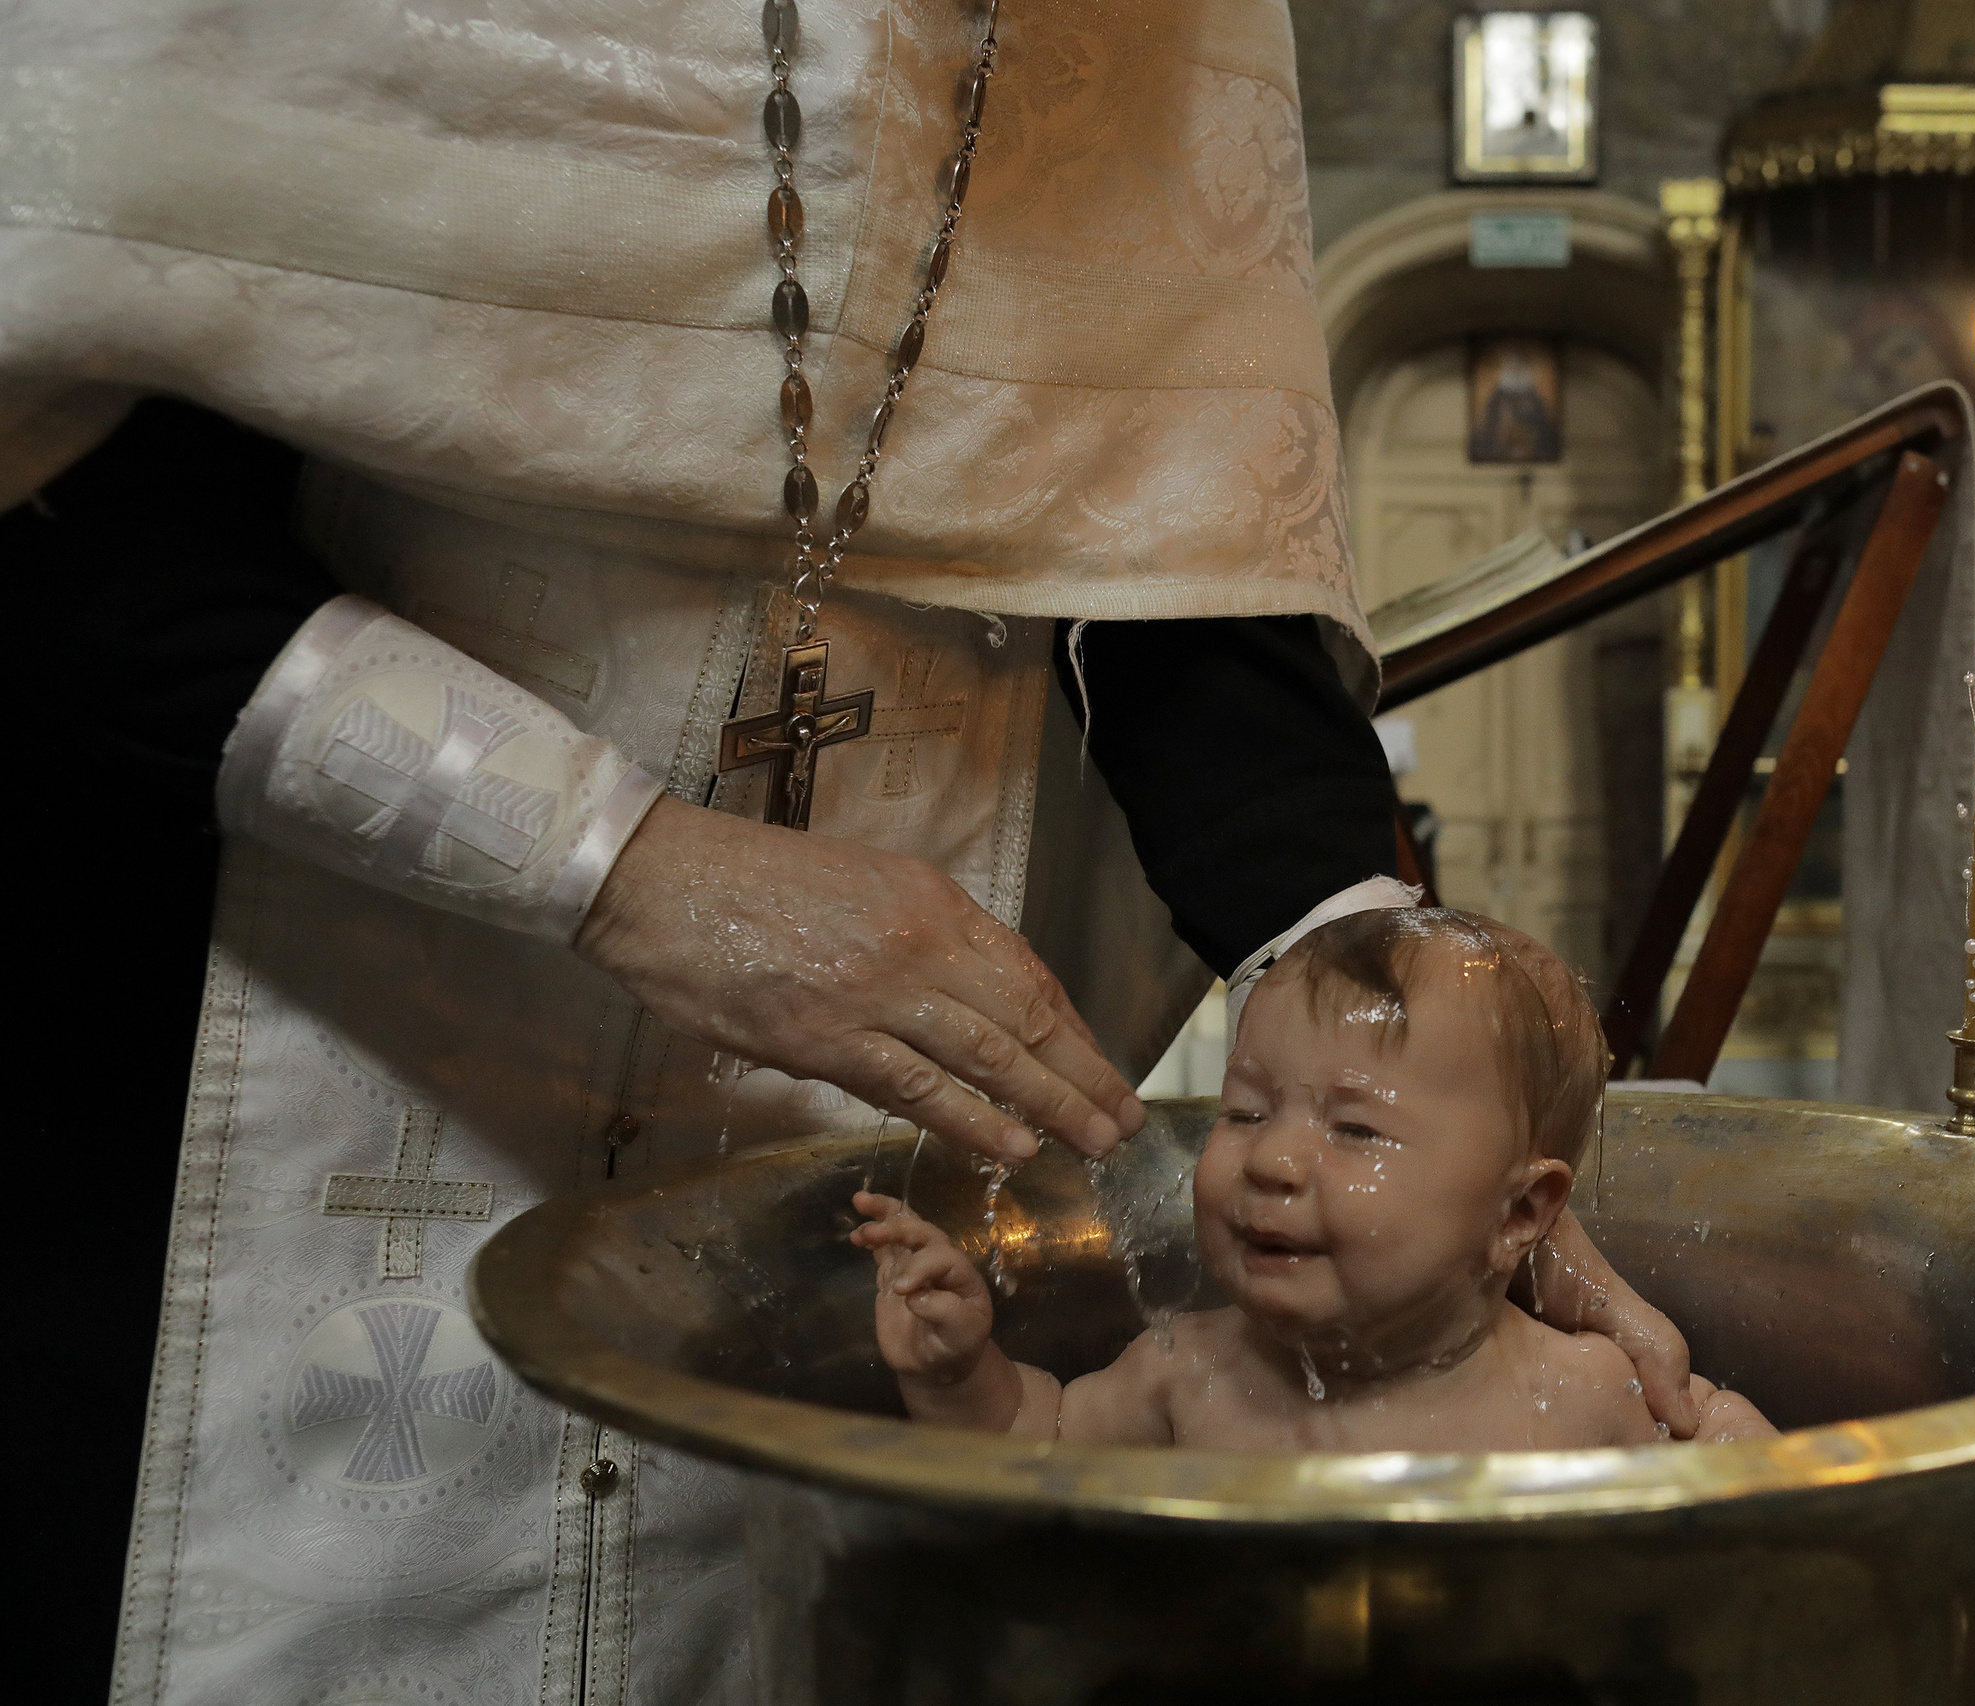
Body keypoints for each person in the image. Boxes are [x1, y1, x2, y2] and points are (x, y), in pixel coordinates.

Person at [4, 4, 1703, 1695]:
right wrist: (614, 856)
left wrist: (1421, 1053)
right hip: (267, 994)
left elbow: (1187, 546)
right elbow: (57, 485)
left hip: (877, 1072)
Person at [856, 910, 1776, 1449]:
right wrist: (957, 1374)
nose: (1273, 1159)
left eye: (1356, 1128)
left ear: (1521, 1211)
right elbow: (1036, 1451)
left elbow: (1747, 1511)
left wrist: (1748, 1453)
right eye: (1245, 1112)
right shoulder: (1192, 1375)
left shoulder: (1577, 1397)